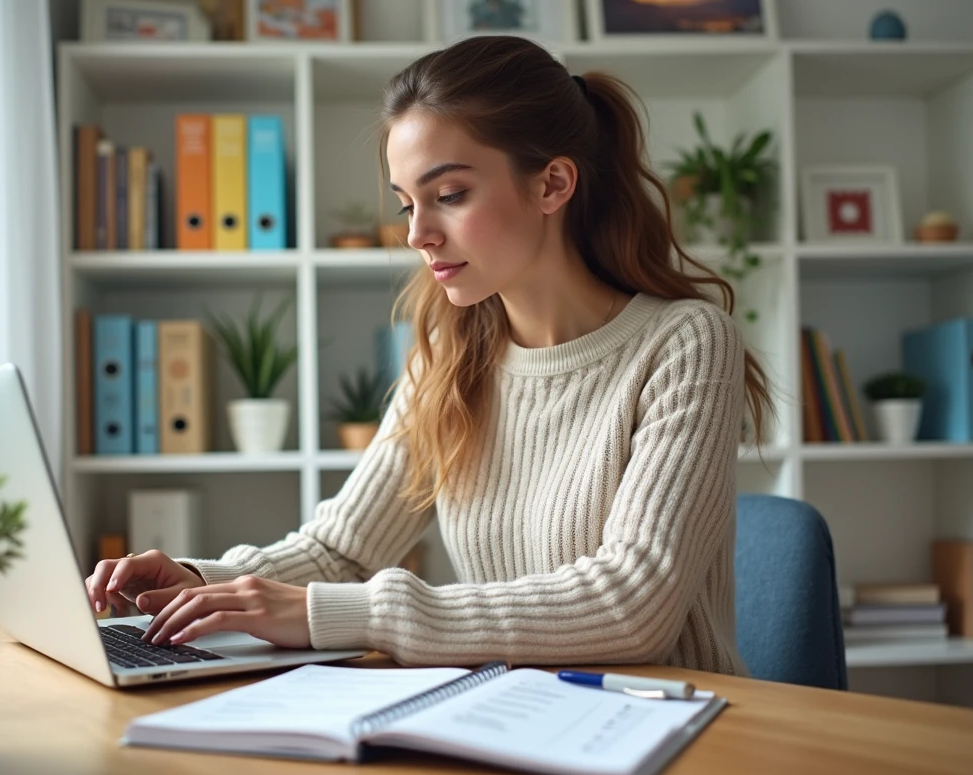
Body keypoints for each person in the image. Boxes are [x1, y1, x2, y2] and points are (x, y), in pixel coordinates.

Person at [86, 35, 773, 675]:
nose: (419, 233)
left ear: (552, 185)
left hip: (672, 732)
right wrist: (205, 584)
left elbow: (632, 604)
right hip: (515, 720)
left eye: (449, 195)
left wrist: (331, 615)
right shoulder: (452, 354)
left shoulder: (683, 343)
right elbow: (343, 553)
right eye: (407, 203)